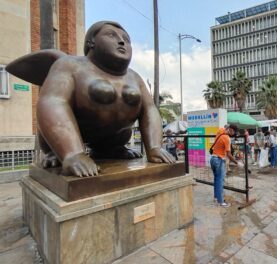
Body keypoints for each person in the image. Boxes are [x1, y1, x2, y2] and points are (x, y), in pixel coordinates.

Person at [6, 21, 174, 177]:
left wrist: (154, 147)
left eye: (126, 39)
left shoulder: (134, 77)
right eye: (111, 35)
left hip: (113, 139)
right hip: (71, 137)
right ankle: (54, 152)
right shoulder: (69, 65)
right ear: (90, 43)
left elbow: (150, 109)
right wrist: (72, 153)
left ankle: (112, 149)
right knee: (50, 117)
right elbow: (53, 102)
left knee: (124, 136)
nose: (122, 42)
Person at [210, 124, 241, 207]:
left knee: (216, 179)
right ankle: (221, 202)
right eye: (234, 132)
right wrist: (237, 162)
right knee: (220, 181)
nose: (233, 134)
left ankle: (216, 198)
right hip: (219, 160)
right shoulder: (226, 138)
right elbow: (229, 155)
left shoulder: (220, 131)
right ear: (231, 129)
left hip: (213, 158)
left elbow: (223, 129)